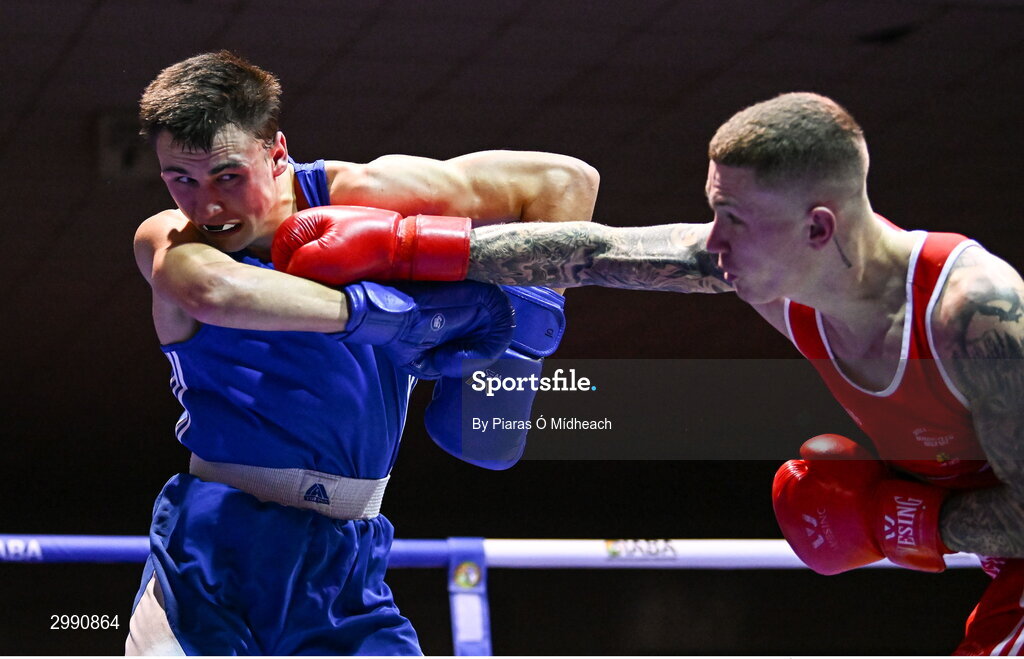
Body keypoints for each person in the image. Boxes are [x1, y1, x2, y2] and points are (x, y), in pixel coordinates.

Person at [447, 92, 1022, 654]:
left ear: (818, 229)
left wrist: (891, 519)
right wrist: (411, 251)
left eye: (735, 220)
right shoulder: (780, 279)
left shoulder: (975, 318)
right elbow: (595, 253)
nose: (714, 240)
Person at [127, 50, 598, 655]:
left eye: (227, 176)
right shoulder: (169, 237)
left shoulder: (363, 194)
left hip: (348, 556)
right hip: (217, 551)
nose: (207, 205)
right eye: (181, 179)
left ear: (276, 154)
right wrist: (381, 319)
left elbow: (564, 183)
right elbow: (215, 292)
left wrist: (523, 327)